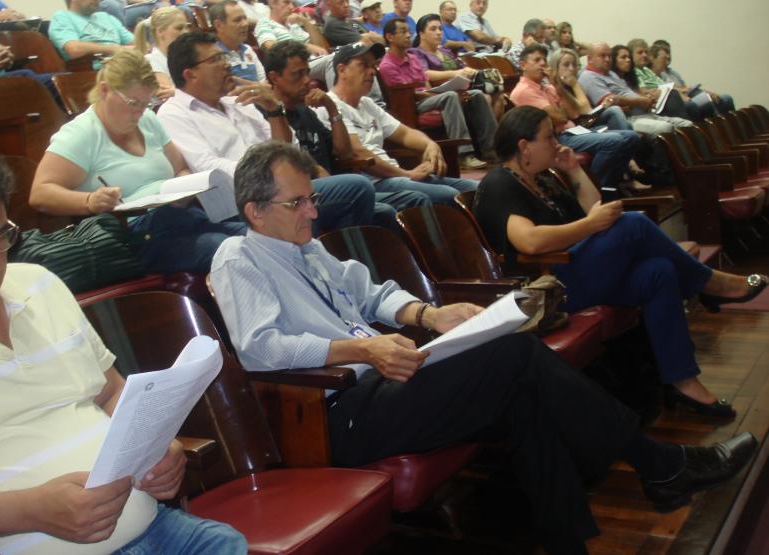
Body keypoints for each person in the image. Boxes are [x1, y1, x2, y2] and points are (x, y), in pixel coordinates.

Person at [210, 138, 758, 555]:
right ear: (255, 211)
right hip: (337, 411)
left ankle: (571, 540)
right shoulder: (238, 258)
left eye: (311, 198)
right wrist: (364, 351)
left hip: (385, 381)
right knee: (514, 357)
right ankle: (660, 465)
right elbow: (262, 349)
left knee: (520, 391)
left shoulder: (307, 249)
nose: (313, 211)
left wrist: (430, 312)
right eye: (297, 202)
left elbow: (374, 293)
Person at [0, 127, 249, 554]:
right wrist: (29, 511)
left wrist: (155, 449)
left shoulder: (40, 286)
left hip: (155, 531)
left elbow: (110, 391)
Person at [474, 105, 769, 418]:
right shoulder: (498, 185)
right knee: (634, 224)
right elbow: (529, 240)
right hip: (549, 289)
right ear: (524, 146)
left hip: (575, 271)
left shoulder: (542, 179)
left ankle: (683, 380)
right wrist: (590, 225)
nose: (558, 142)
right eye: (550, 136)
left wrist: (573, 170)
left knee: (660, 271)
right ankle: (712, 283)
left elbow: (596, 210)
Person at [30, 50, 247, 274]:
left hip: (180, 217)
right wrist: (89, 201)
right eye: (133, 103)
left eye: (146, 103)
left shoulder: (147, 120)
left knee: (257, 236)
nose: (139, 112)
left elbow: (180, 168)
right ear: (104, 90)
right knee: (227, 249)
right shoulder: (82, 134)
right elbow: (40, 193)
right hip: (134, 234)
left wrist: (183, 188)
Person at [158, 32, 379, 233]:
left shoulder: (238, 101)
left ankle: (335, 263)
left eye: (224, 57)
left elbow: (290, 150)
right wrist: (273, 174)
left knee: (383, 214)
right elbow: (208, 167)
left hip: (286, 191)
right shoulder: (174, 113)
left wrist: (274, 111)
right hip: (246, 202)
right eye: (216, 59)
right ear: (190, 74)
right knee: (357, 188)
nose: (226, 64)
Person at [266, 40, 430, 228]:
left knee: (413, 199)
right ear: (274, 77)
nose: (306, 81)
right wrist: (316, 170)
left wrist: (332, 109)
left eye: (307, 73)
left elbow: (343, 152)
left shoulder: (306, 112)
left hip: (331, 188)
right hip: (302, 195)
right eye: (297, 74)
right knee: (369, 193)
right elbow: (281, 159)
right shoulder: (268, 116)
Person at [321, 41, 479, 206]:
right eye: (364, 65)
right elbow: (357, 153)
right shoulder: (329, 106)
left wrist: (429, 145)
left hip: (396, 177)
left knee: (477, 189)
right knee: (450, 195)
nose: (372, 72)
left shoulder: (367, 104)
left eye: (373, 65)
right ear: (341, 70)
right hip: (373, 182)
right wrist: (406, 174)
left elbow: (405, 134)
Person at [510, 44, 646, 194]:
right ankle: (596, 191)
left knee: (631, 137)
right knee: (614, 140)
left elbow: (573, 113)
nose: (543, 63)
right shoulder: (524, 91)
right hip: (557, 138)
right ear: (523, 65)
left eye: (543, 59)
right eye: (537, 60)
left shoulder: (547, 87)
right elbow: (561, 118)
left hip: (573, 130)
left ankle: (610, 185)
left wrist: (556, 85)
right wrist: (561, 111)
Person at [379, 16, 496, 169]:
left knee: (476, 95)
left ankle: (492, 148)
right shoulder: (387, 65)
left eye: (408, 31)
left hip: (428, 97)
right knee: (450, 96)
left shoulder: (412, 58)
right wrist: (434, 94)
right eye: (403, 32)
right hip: (413, 104)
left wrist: (435, 92)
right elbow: (407, 96)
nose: (408, 35)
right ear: (390, 37)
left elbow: (425, 82)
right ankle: (464, 154)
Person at [578, 42, 692, 135]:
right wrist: (640, 101)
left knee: (687, 125)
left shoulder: (611, 74)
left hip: (645, 114)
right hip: (629, 119)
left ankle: (697, 162)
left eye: (609, 56)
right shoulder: (589, 76)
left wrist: (647, 98)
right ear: (590, 59)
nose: (607, 59)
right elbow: (609, 101)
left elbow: (627, 93)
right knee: (665, 128)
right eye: (603, 56)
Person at [412, 12, 504, 120]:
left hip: (460, 89)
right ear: (421, 34)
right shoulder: (416, 53)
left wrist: (469, 71)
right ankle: (481, 136)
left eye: (440, 29)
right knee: (485, 97)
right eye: (433, 29)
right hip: (440, 94)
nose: (439, 32)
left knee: (498, 96)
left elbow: (462, 68)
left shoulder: (445, 51)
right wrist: (454, 73)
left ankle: (494, 135)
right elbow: (425, 73)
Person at [611, 43, 692, 122]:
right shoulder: (614, 79)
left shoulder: (641, 72)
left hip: (649, 108)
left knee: (685, 122)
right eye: (623, 57)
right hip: (637, 115)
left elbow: (643, 92)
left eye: (629, 57)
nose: (628, 60)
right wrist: (648, 96)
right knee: (679, 100)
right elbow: (639, 94)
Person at [626, 38, 703, 121]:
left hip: (666, 98)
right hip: (656, 104)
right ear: (631, 55)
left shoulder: (646, 70)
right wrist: (665, 91)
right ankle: (688, 130)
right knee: (690, 105)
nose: (644, 55)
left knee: (704, 100)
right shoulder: (633, 71)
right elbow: (644, 92)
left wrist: (680, 91)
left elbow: (663, 85)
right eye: (640, 52)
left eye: (646, 52)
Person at [650, 41, 735, 115]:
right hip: (682, 100)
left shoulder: (673, 73)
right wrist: (684, 91)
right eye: (665, 55)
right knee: (705, 102)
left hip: (690, 95)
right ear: (653, 57)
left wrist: (707, 92)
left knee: (726, 99)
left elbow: (686, 87)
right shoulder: (657, 74)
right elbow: (670, 90)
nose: (668, 56)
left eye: (669, 52)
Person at [49, 0, 134, 68]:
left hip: (127, 66)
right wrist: (115, 49)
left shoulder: (105, 16)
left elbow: (137, 42)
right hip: (96, 73)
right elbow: (75, 49)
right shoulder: (62, 17)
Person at [210, 0, 266, 84]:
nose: (245, 24)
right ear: (219, 25)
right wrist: (257, 87)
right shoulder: (213, 57)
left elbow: (264, 82)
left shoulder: (248, 49)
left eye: (245, 18)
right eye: (237, 20)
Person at [133, 6, 187, 90]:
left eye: (187, 27)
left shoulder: (185, 57)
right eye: (179, 28)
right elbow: (165, 94)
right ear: (160, 31)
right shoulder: (151, 61)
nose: (185, 32)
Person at [254, 0, 328, 56]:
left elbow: (321, 47)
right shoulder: (264, 23)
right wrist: (304, 47)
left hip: (315, 61)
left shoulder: (293, 25)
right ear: (273, 3)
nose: (292, 7)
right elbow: (271, 47)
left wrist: (305, 21)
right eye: (286, 2)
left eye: (292, 3)